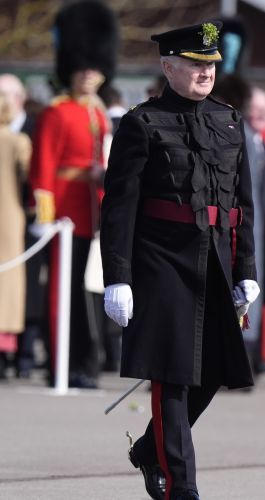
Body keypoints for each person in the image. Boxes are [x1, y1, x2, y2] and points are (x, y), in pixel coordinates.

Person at [100, 21, 258, 500]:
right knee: (171, 376)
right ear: (168, 66)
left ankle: (151, 449)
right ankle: (181, 489)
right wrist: (118, 278)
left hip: (214, 262)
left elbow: (242, 204)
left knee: (213, 373)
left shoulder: (229, 121)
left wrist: (247, 269)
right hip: (160, 262)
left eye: (210, 64)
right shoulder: (141, 122)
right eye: (194, 64)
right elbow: (119, 205)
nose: (205, 72)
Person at [28, 0, 117, 389]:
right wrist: (45, 211)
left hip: (91, 209)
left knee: (84, 291)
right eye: (82, 68)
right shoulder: (56, 112)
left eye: (93, 68)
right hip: (65, 210)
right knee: (61, 291)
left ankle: (83, 359)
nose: (88, 75)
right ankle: (61, 363)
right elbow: (43, 167)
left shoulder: (97, 113)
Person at [0, 93, 32, 379]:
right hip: (8, 218)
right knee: (8, 288)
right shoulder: (17, 142)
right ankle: (7, 353)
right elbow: (28, 178)